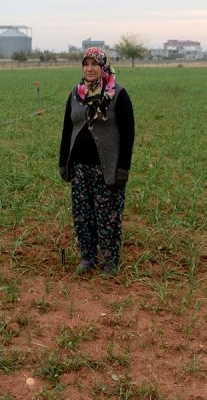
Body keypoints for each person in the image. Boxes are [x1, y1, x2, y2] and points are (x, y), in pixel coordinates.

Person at [59, 47, 135, 278]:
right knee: (83, 214)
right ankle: (88, 256)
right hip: (79, 166)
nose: (89, 69)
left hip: (106, 168)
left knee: (107, 215)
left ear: (103, 67)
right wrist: (64, 162)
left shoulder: (117, 94)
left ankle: (111, 260)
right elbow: (67, 129)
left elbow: (128, 133)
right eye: (86, 64)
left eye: (94, 64)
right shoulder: (76, 93)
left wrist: (123, 167)